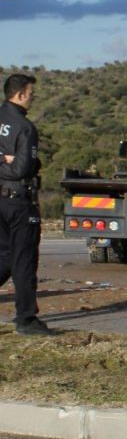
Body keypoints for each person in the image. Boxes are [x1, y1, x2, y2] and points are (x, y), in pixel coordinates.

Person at [1, 74, 50, 336]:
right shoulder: (25, 127)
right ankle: (26, 318)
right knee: (24, 260)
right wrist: (13, 161)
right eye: (32, 93)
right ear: (20, 94)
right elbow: (22, 168)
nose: (33, 97)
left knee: (6, 256)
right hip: (20, 201)